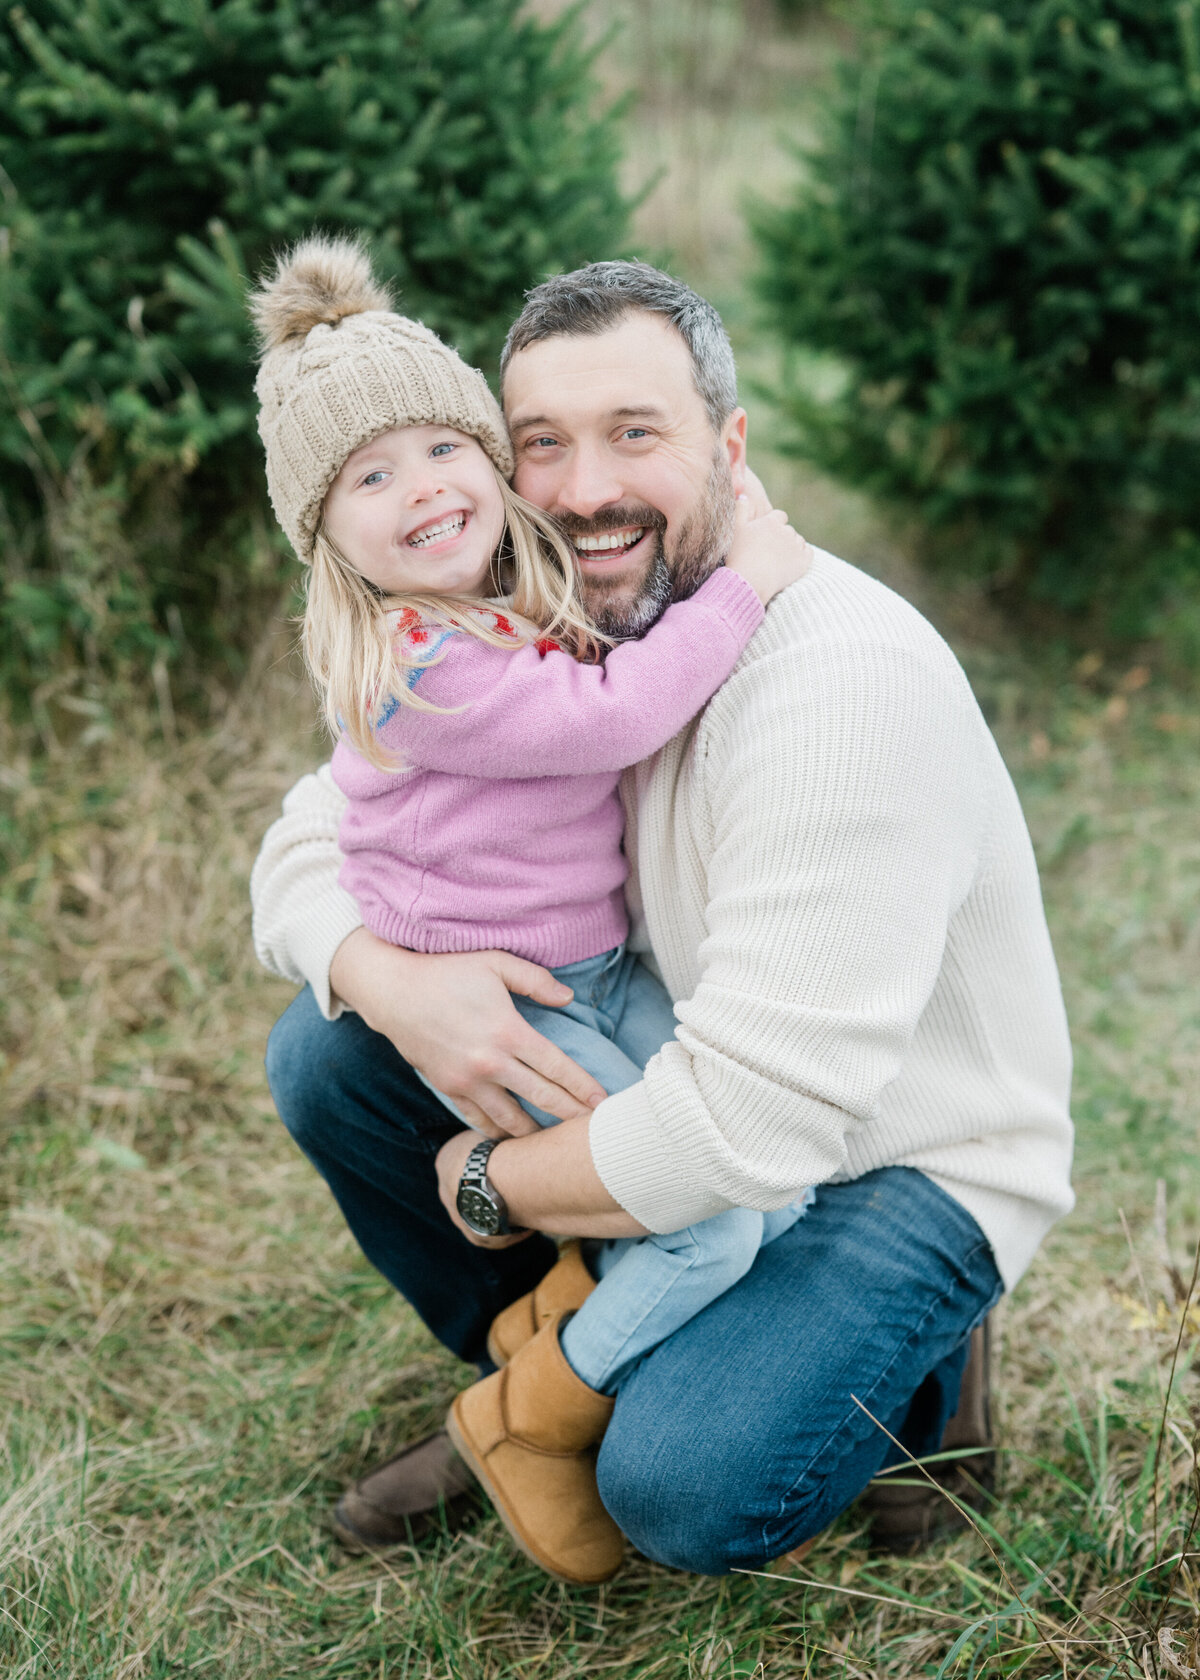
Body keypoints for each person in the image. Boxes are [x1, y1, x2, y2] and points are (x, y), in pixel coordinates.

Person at [252, 260, 1075, 1579]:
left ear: (728, 447)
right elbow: (313, 832)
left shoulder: (837, 680)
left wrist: (487, 1178)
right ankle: (579, 1369)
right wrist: (385, 977)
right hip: (679, 1075)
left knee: (685, 1484)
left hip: (888, 1153)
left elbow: (747, 1127)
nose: (584, 492)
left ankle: (866, 1362)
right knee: (329, 1049)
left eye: (635, 435)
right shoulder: (554, 619)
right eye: (541, 446)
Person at [249, 237, 814, 1584]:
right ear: (325, 535)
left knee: (769, 1181)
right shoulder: (414, 665)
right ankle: (533, 1418)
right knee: (713, 1219)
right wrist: (746, 582)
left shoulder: (496, 608)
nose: (421, 491)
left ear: (489, 457)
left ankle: (559, 1311)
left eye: (441, 450)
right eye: (368, 480)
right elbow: (614, 713)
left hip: (597, 971)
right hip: (521, 1003)